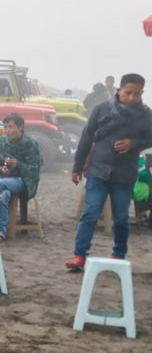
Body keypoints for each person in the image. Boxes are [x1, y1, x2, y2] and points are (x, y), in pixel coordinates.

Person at [68, 73, 152, 270]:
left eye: (137, 94)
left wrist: (134, 143)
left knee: (121, 217)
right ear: (118, 90)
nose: (132, 98)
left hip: (125, 175)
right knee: (90, 213)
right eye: (128, 93)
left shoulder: (146, 116)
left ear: (142, 94)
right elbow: (86, 139)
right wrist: (77, 167)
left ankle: (118, 256)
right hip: (98, 171)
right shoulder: (101, 109)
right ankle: (79, 256)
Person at [0, 113, 42, 241]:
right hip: (5, 179)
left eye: (11, 127)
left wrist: (18, 164)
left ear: (21, 127)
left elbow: (34, 169)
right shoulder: (1, 141)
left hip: (24, 181)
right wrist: (2, 169)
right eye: (5, 127)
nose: (7, 131)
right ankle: (1, 231)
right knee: (3, 195)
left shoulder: (30, 143)